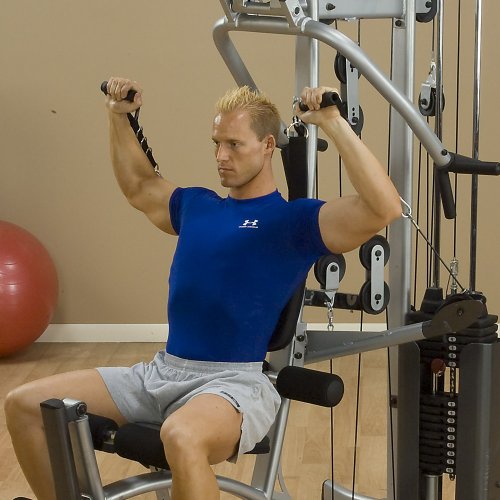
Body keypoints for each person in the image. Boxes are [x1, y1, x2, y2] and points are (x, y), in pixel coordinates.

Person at [5, 77, 401, 500]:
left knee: (182, 437)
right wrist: (119, 117)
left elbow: (384, 207)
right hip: (161, 373)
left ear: (268, 145)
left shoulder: (294, 223)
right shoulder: (197, 205)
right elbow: (139, 185)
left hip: (233, 385)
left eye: (234, 145)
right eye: (216, 143)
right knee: (23, 404)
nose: (221, 156)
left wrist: (333, 122)